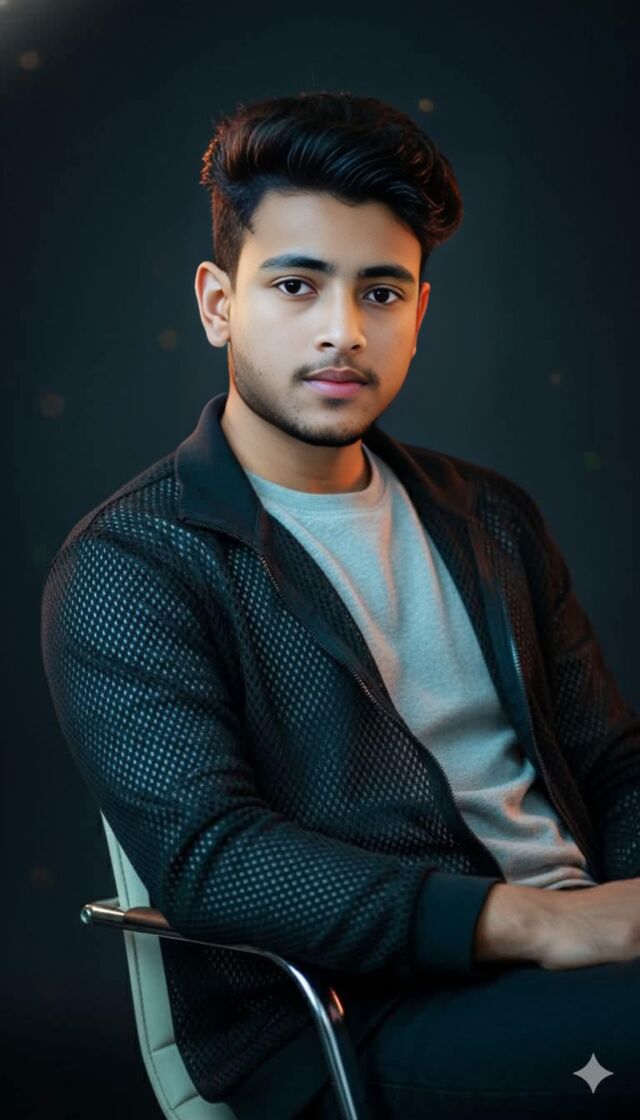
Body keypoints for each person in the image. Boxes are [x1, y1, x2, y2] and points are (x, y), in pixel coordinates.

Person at [40, 90, 640, 1120]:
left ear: (419, 313)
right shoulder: (134, 562)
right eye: (295, 285)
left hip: (582, 977)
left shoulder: (490, 517)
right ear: (219, 303)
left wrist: (619, 916)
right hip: (346, 1021)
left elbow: (614, 765)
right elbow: (213, 860)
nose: (343, 331)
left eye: (380, 292)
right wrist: (540, 924)